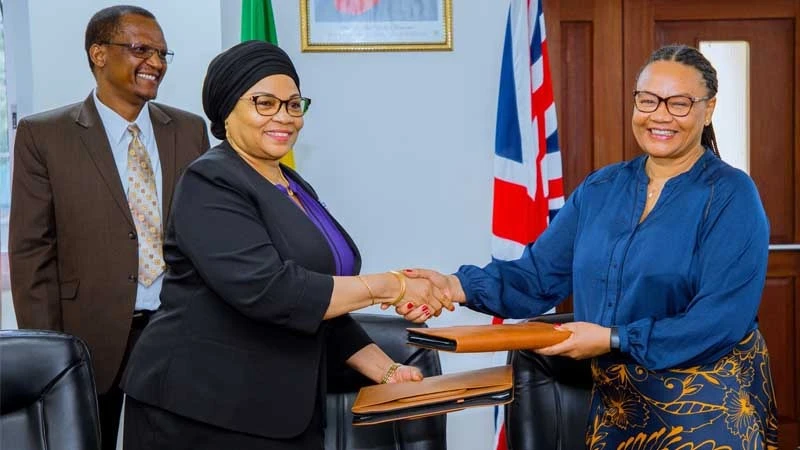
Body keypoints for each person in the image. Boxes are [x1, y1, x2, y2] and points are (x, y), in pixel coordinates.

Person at [405, 44, 778, 448]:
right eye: (648, 100)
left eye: (680, 103)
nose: (660, 115)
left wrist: (613, 338)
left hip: (705, 399)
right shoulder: (601, 189)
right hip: (618, 401)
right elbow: (534, 278)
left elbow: (720, 321)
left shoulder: (731, 195)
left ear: (708, 109)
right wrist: (453, 286)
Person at [120, 40, 450, 450]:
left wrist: (387, 371)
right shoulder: (210, 181)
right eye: (265, 103)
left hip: (278, 410)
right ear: (227, 110)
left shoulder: (293, 185)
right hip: (201, 411)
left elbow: (318, 308)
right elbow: (273, 291)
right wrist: (391, 285)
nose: (285, 117)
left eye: (294, 104)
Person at [9, 5, 210, 449]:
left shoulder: (189, 130)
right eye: (141, 49)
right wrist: (49, 354)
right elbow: (32, 253)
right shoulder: (45, 135)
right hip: (89, 337)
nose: (156, 63)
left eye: (161, 53)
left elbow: (206, 235)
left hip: (178, 330)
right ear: (99, 54)